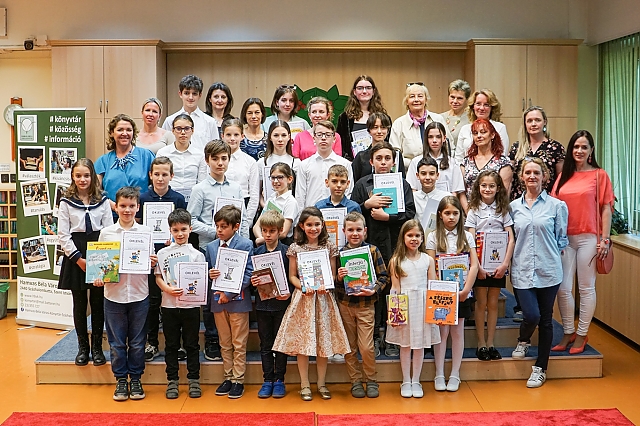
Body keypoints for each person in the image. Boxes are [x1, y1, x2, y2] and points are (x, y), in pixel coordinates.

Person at [272, 207, 350, 401]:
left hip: (324, 299)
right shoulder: (295, 247)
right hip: (303, 299)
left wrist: (326, 285)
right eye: (309, 225)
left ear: (322, 224)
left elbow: (332, 275)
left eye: (317, 224)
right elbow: (292, 276)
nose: (313, 228)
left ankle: (321, 383)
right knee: (303, 344)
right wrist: (304, 287)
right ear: (301, 226)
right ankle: (304, 384)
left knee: (323, 342)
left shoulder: (329, 246)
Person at [351, 142, 416, 359]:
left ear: (394, 162)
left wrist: (389, 217)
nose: (383, 162)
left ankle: (393, 336)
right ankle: (375, 336)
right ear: (371, 161)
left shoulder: (403, 184)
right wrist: (367, 205)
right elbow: (352, 215)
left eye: (387, 158)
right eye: (379, 158)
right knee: (373, 292)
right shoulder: (362, 184)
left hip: (395, 246)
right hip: (370, 247)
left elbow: (410, 213)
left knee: (394, 291)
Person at [551, 130, 614, 354]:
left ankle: (582, 333)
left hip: (590, 238)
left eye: (584, 147)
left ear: (591, 150)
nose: (579, 151)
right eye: (576, 147)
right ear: (571, 150)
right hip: (564, 239)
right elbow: (553, 208)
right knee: (563, 288)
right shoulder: (563, 176)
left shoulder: (599, 175)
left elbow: (606, 208)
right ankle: (568, 331)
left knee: (586, 288)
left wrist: (605, 239)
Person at [94, 186, 158, 401]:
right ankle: (121, 379)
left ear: (138, 207)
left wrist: (152, 262)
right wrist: (98, 275)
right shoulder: (107, 233)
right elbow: (100, 263)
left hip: (139, 294)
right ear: (116, 207)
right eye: (123, 206)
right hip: (114, 295)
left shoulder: (146, 232)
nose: (127, 210)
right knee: (117, 343)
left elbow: (151, 262)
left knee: (138, 342)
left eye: (131, 206)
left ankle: (136, 379)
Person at [510, 157, 568, 388]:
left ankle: (540, 368)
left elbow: (561, 238)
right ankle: (523, 339)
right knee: (531, 315)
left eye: (536, 172)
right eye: (528, 172)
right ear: (522, 177)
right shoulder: (513, 207)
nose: (532, 176)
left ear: (544, 176)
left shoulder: (557, 206)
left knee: (545, 320)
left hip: (548, 270)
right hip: (522, 269)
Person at [186, 140, 243, 361]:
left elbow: (242, 219)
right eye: (215, 159)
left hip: (233, 249)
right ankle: (212, 338)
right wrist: (218, 232)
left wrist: (242, 241)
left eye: (224, 158)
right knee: (212, 295)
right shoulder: (199, 189)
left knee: (231, 292)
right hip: (209, 248)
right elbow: (191, 221)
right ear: (207, 160)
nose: (220, 163)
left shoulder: (235, 188)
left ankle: (231, 339)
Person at [57, 158, 113, 367]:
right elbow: (63, 235)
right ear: (73, 177)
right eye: (78, 175)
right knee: (79, 303)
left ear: (93, 177)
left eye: (87, 175)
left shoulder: (103, 200)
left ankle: (97, 347)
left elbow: (108, 230)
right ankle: (83, 347)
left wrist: (102, 259)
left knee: (98, 303)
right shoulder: (66, 201)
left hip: (99, 251)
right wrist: (78, 259)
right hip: (76, 254)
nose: (83, 179)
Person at [136, 157, 187, 362]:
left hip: (172, 256)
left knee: (174, 300)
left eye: (164, 174)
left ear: (171, 176)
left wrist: (173, 239)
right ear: (150, 175)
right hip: (149, 257)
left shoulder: (178, 199)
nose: (160, 178)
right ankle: (152, 343)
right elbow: (137, 227)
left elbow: (183, 228)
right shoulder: (142, 198)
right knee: (153, 301)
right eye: (156, 174)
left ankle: (177, 344)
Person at [426, 196, 479, 392]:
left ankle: (455, 373)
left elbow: (474, 265)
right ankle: (439, 373)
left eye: (455, 213)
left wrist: (466, 290)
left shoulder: (467, 237)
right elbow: (431, 266)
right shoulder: (432, 236)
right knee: (442, 333)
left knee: (457, 332)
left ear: (460, 215)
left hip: (462, 292)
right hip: (441, 293)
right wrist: (437, 289)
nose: (451, 217)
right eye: (447, 213)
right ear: (440, 215)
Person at [335, 212, 389, 398]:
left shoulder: (372, 251)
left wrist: (374, 289)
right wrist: (339, 278)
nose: (355, 233)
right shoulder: (339, 254)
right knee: (350, 347)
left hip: (366, 305)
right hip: (345, 305)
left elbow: (384, 276)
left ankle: (371, 379)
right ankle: (355, 381)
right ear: (344, 231)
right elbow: (333, 282)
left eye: (358, 229)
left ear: (365, 231)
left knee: (366, 347)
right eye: (350, 230)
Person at [155, 209, 205, 399]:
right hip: (169, 305)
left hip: (190, 306)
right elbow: (158, 277)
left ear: (190, 229)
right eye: (175, 230)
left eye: (183, 229)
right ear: (170, 230)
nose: (180, 234)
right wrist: (167, 289)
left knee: (192, 344)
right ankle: (172, 380)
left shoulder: (197, 254)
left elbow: (200, 282)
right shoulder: (162, 253)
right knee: (171, 345)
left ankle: (194, 379)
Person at [464, 170, 515, 361]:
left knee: (493, 303)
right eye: (484, 185)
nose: (487, 189)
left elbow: (511, 239)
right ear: (478, 187)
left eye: (492, 186)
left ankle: (491, 343)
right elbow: (470, 241)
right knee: (481, 303)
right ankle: (481, 344)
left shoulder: (503, 209)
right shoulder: (473, 210)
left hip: (498, 265)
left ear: (498, 188)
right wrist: (477, 267)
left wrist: (505, 264)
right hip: (479, 266)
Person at [387, 219, 440, 398]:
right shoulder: (396, 260)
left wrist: (436, 310)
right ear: (403, 237)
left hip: (423, 305)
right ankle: (406, 380)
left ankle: (416, 380)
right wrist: (394, 313)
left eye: (417, 235)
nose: (414, 239)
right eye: (410, 235)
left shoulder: (428, 260)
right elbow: (395, 288)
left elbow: (433, 285)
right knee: (405, 345)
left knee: (419, 345)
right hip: (405, 306)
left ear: (422, 238)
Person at [206, 205, 254, 399]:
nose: (219, 230)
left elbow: (249, 273)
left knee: (239, 342)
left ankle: (238, 380)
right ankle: (228, 376)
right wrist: (210, 274)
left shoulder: (245, 244)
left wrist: (229, 293)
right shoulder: (211, 247)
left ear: (236, 226)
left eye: (224, 226)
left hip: (238, 301)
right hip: (218, 301)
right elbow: (208, 272)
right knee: (224, 342)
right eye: (217, 226)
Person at [252, 210, 293, 399]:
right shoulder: (257, 253)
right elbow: (252, 281)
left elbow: (293, 277)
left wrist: (288, 293)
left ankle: (279, 380)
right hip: (262, 306)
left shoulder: (287, 252)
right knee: (265, 344)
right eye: (265, 231)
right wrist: (253, 282)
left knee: (280, 344)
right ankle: (267, 379)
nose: (267, 235)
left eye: (272, 231)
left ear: (280, 231)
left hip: (282, 306)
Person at [95, 114, 155, 215]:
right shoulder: (103, 161)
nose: (125, 133)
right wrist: (113, 206)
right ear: (112, 133)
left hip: (140, 215)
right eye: (120, 130)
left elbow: (157, 185)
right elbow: (95, 191)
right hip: (111, 215)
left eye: (129, 130)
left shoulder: (146, 156)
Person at [509, 106, 565, 201]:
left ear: (545, 122)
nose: (533, 124)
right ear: (525, 124)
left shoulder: (556, 148)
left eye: (537, 120)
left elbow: (561, 179)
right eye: (529, 121)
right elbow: (510, 179)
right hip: (520, 202)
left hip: (546, 201)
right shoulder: (516, 147)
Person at [390, 83, 451, 169]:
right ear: (407, 101)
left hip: (438, 170)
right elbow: (394, 155)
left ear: (426, 99)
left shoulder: (438, 119)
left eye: (420, 96)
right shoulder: (399, 124)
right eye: (412, 96)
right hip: (410, 171)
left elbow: (449, 147)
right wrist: (415, 164)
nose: (416, 99)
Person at [295, 120, 354, 209]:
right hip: (312, 213)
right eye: (319, 135)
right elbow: (300, 195)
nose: (323, 138)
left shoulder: (344, 164)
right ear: (314, 138)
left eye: (328, 135)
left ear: (334, 139)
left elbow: (348, 192)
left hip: (337, 212)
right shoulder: (304, 165)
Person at [406, 122, 466, 203]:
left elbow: (455, 192)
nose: (434, 141)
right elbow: (412, 189)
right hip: (421, 205)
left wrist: (448, 207)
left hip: (446, 206)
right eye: (430, 137)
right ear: (426, 139)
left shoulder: (452, 163)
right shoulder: (415, 162)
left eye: (438, 137)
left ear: (444, 138)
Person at [461, 119, 513, 211]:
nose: (479, 136)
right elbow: (461, 191)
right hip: (469, 212)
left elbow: (503, 194)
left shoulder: (503, 162)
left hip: (494, 213)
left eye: (483, 132)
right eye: (475, 133)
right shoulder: (466, 161)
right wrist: (469, 213)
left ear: (492, 135)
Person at [221, 118, 260, 239]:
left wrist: (247, 222)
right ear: (222, 136)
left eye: (236, 135)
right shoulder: (217, 161)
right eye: (228, 135)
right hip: (221, 204)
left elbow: (254, 195)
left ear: (242, 136)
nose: (232, 138)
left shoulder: (250, 162)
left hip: (243, 205)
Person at [156, 114, 208, 201]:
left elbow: (201, 183)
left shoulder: (200, 155)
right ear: (173, 130)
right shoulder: (162, 153)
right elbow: (158, 179)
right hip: (168, 198)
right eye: (178, 129)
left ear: (192, 130)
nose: (183, 132)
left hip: (192, 199)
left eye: (187, 128)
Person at [337, 75, 389, 161]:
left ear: (373, 91)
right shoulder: (344, 118)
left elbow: (387, 142)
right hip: (352, 163)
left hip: (379, 162)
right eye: (360, 88)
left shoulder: (384, 117)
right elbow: (341, 145)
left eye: (368, 88)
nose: (364, 91)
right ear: (354, 92)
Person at [162, 74, 219, 153]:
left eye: (194, 94)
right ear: (180, 94)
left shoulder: (210, 122)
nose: (190, 97)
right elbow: (165, 148)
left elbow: (215, 150)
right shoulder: (170, 120)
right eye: (186, 93)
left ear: (200, 95)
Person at [455, 89, 510, 163]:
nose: (481, 108)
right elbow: (458, 159)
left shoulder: (500, 128)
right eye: (478, 104)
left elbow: (502, 156)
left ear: (492, 108)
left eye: (486, 105)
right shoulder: (465, 129)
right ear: (473, 106)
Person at [352, 112, 406, 183]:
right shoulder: (361, 156)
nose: (379, 131)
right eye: (375, 127)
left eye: (383, 127)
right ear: (369, 131)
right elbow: (355, 182)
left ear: (388, 130)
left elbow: (402, 180)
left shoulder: (397, 155)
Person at [254, 162, 299, 245]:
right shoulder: (271, 199)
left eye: (280, 177)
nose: (275, 181)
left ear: (289, 179)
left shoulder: (290, 202)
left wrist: (263, 240)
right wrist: (261, 239)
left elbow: (283, 232)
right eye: (273, 177)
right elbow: (257, 226)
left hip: (282, 244)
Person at [413, 157, 451, 225]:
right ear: (417, 175)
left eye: (431, 173)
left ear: (437, 175)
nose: (427, 178)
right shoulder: (412, 197)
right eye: (423, 173)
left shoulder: (446, 197)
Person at [440, 80, 471, 155]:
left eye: (459, 98)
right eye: (452, 97)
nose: (455, 101)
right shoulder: (440, 117)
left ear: (466, 99)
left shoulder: (470, 119)